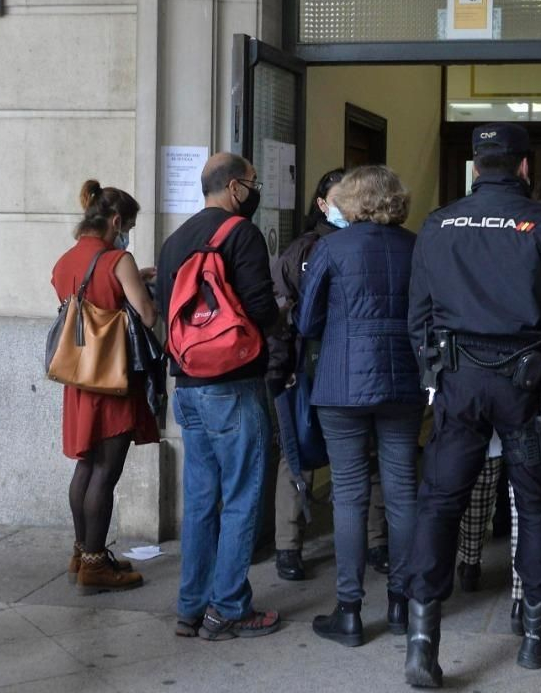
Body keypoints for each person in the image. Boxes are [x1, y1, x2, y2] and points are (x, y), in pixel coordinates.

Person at [404, 123, 541, 687]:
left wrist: (440, 375)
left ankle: (422, 641)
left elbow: (418, 319)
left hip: (460, 382)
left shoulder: (438, 224)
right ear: (524, 167)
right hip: (526, 385)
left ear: (478, 166)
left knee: (441, 500)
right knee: (535, 500)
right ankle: (535, 635)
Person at [158, 152, 283, 641]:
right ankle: (229, 607)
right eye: (252, 182)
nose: (255, 190)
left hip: (187, 386)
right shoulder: (240, 234)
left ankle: (191, 606)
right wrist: (279, 324)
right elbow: (257, 305)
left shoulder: (174, 241)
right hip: (232, 385)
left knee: (203, 498)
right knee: (242, 496)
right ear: (234, 188)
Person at [296, 165, 423, 645]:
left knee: (349, 494)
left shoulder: (330, 248)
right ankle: (400, 604)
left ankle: (348, 611)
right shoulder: (416, 247)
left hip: (341, 383)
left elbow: (307, 321)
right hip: (404, 382)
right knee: (402, 490)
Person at [266, 168, 389, 582]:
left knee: (363, 457)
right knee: (296, 455)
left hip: (351, 370)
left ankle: (376, 542)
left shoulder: (368, 245)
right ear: (322, 204)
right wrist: (279, 371)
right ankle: (288, 546)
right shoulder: (303, 251)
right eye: (342, 198)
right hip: (305, 369)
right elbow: (284, 318)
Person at [51, 180, 159, 592]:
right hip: (112, 377)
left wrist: (131, 277)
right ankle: (96, 566)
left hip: (79, 376)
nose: (127, 232)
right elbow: (146, 316)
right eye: (127, 225)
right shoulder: (118, 258)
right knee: (106, 473)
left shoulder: (64, 261)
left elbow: (86, 301)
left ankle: (82, 552)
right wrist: (141, 281)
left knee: (85, 466)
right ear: (115, 221)